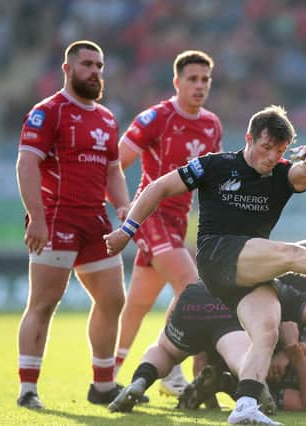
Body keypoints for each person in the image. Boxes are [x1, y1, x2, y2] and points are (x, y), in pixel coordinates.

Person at [103, 105, 306, 425]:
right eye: (266, 148)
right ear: (249, 139)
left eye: (279, 151)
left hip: (250, 270)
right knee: (290, 255)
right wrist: (127, 230)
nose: (271, 157)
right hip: (217, 256)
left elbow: (302, 174)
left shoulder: (281, 173)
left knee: (266, 330)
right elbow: (158, 187)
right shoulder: (215, 165)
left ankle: (245, 406)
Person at [15, 40, 131, 409]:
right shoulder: (48, 112)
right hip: (57, 215)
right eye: (87, 64)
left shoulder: (107, 118)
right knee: (45, 302)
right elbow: (27, 165)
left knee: (113, 299)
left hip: (95, 218)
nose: (95, 71)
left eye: (99, 66)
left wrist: (124, 206)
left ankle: (102, 385)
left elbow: (113, 170)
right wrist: (36, 217)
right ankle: (28, 389)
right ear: (67, 69)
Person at [114, 50, 222, 397]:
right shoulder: (155, 118)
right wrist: (122, 205)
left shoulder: (212, 125)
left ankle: (105, 374)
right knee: (191, 286)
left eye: (205, 79)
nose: (200, 85)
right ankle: (171, 368)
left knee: (139, 302)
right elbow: (116, 162)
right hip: (150, 215)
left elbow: (211, 181)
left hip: (178, 222)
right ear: (176, 82)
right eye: (192, 79)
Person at [107, 279, 306, 414]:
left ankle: (140, 380)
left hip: (196, 296)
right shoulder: (274, 285)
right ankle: (253, 386)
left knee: (166, 349)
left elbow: (200, 364)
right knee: (242, 357)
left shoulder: (221, 256)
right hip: (236, 307)